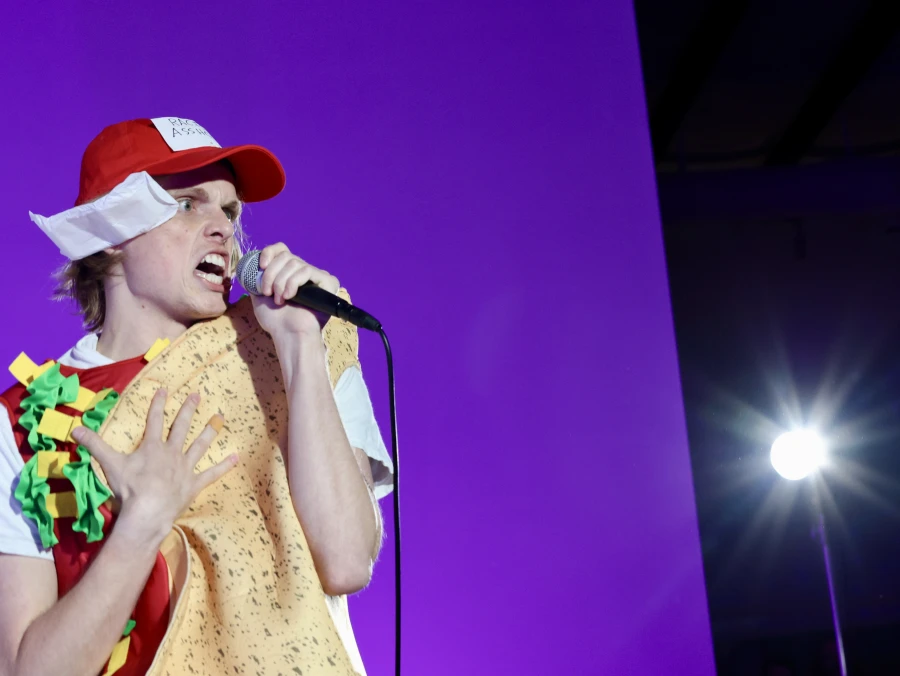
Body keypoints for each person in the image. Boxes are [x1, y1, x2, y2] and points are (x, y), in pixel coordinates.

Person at [0, 117, 393, 676]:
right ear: (111, 236)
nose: (222, 230)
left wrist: (301, 347)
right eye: (187, 205)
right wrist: (141, 526)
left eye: (229, 212)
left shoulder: (309, 335)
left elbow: (348, 562)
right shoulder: (20, 424)